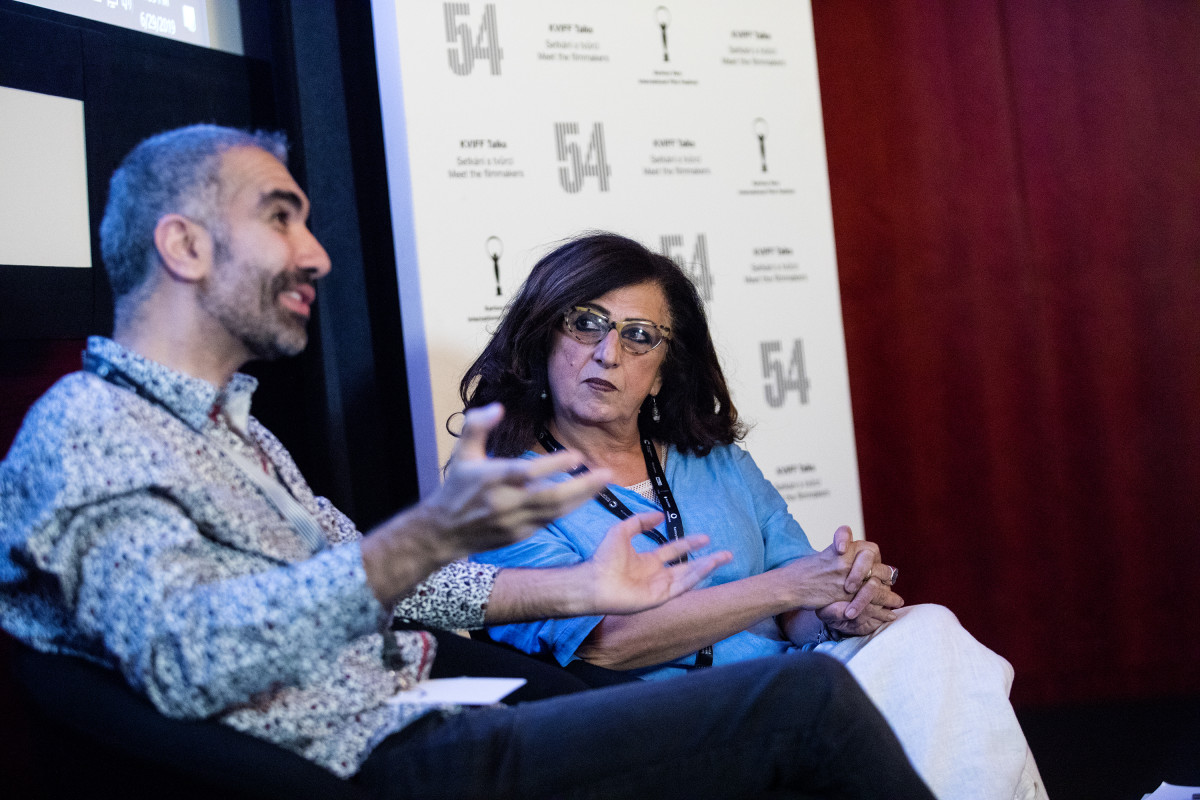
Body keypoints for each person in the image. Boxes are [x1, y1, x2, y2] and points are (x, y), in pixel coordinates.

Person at [0, 125, 937, 800]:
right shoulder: (92, 427)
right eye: (282, 217)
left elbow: (401, 589)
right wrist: (426, 537)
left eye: (639, 338)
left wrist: (576, 589)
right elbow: (185, 658)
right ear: (183, 244)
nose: (316, 254)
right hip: (372, 758)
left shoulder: (237, 436)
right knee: (806, 703)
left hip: (437, 709)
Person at [463, 232, 1048, 800]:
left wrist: (839, 605)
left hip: (799, 684)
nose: (608, 353)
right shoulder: (503, 489)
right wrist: (788, 586)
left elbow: (800, 608)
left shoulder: (717, 462)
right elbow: (606, 644)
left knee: (930, 631)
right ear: (543, 337)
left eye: (639, 336)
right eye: (586, 322)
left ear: (662, 371)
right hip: (662, 719)